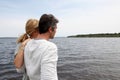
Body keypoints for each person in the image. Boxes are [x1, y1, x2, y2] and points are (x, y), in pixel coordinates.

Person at [24, 14, 59, 80]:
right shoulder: (50, 47)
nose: (56, 31)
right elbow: (49, 78)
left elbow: (20, 69)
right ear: (50, 29)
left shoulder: (28, 44)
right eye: (56, 28)